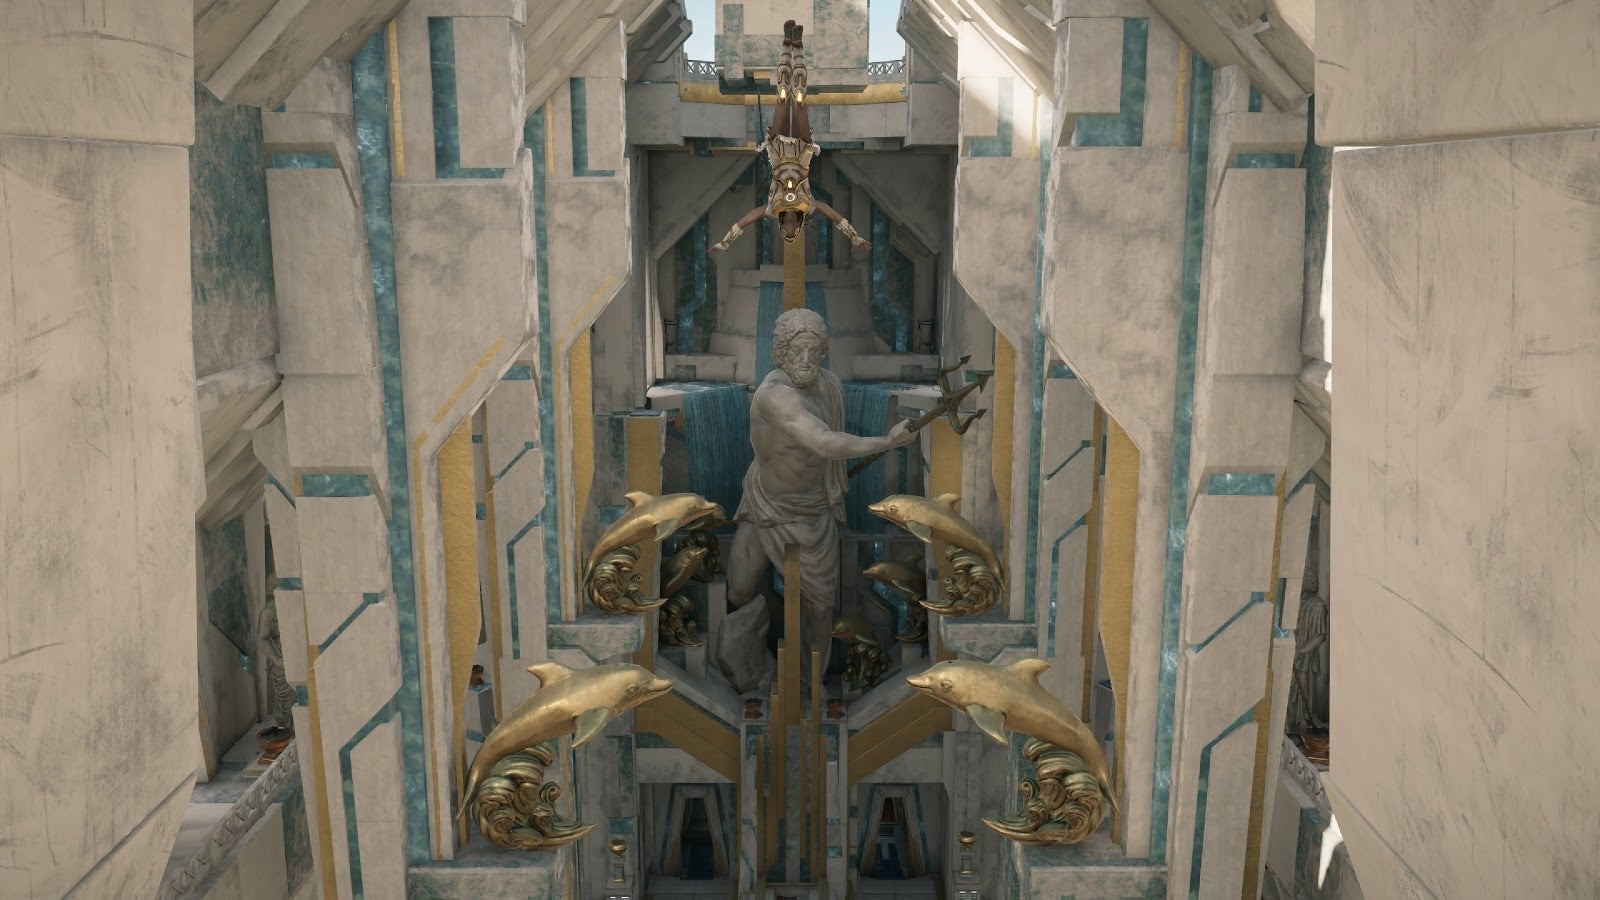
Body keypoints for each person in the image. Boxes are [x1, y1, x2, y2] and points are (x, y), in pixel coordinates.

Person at [714, 309, 917, 693]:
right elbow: (822, 442)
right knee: (739, 590)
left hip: (813, 511)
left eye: (814, 351)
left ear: (823, 351)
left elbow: (825, 450)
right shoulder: (774, 396)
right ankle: (754, 660)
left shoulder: (829, 386)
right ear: (781, 353)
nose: (806, 360)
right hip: (767, 504)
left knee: (821, 608)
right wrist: (886, 442)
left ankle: (809, 681)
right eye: (797, 351)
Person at [708, 20, 872, 255]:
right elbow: (836, 217)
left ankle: (787, 43)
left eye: (787, 228)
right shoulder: (810, 207)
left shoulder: (771, 210)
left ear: (782, 226)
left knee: (783, 99)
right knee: (799, 102)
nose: (790, 226)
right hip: (801, 155)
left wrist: (724, 242)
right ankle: (799, 45)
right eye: (793, 229)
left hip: (778, 153)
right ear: (798, 226)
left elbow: (743, 222)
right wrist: (855, 237)